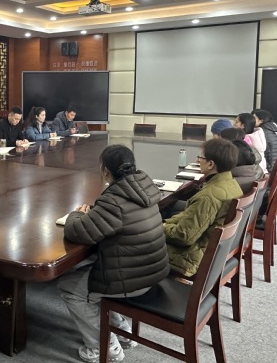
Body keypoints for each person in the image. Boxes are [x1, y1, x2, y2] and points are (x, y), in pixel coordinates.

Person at [58, 145, 169, 363]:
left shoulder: (114, 200)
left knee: (69, 287)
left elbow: (77, 231)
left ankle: (103, 347)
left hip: (131, 279)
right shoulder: (144, 188)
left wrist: (75, 215)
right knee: (90, 271)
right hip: (152, 270)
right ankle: (122, 331)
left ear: (106, 171)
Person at [164, 138, 242, 277]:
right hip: (210, 250)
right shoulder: (231, 184)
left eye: (201, 157)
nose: (197, 160)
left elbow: (183, 237)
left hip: (190, 259)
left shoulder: (207, 197)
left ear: (211, 164)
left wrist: (159, 227)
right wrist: (167, 223)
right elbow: (189, 217)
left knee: (133, 241)